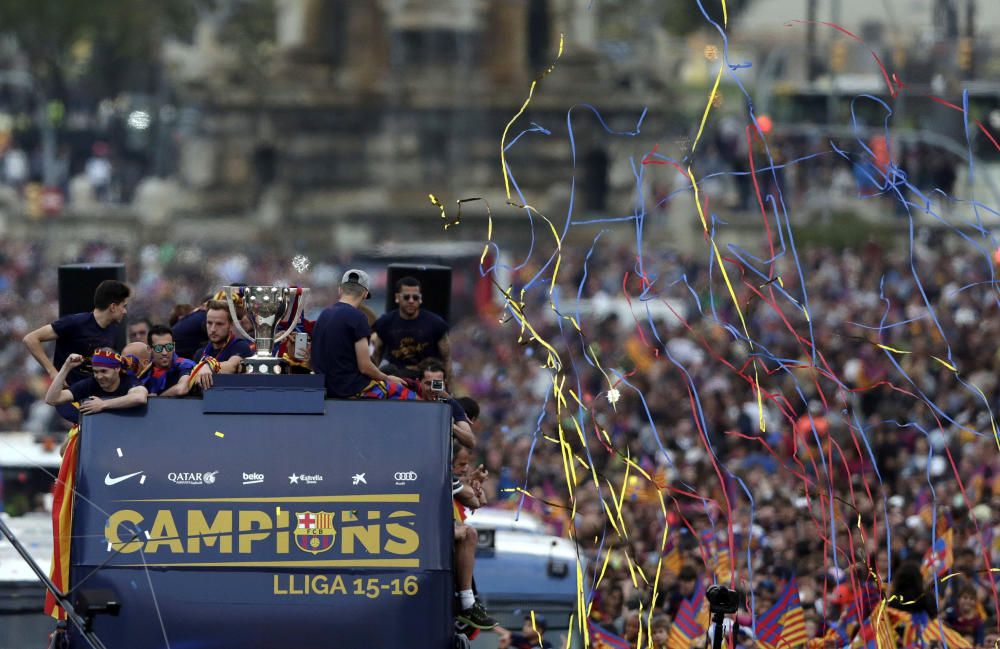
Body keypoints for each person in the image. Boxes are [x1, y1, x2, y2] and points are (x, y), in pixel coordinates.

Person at [23, 279, 130, 423]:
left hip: (96, 394)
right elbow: (30, 339)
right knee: (87, 426)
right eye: (124, 306)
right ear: (113, 307)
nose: (125, 311)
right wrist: (52, 371)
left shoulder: (114, 330)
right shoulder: (75, 323)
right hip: (69, 395)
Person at [311, 269, 405, 398]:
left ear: (340, 289)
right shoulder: (358, 317)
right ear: (365, 294)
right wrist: (387, 378)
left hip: (323, 389)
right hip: (350, 389)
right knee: (407, 395)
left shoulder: (324, 314)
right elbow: (365, 366)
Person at [452, 445, 497, 631]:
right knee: (470, 533)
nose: (465, 468)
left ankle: (470, 603)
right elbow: (472, 497)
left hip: (454, 549)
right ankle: (468, 604)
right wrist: (470, 484)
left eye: (467, 464)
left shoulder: (456, 482)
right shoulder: (442, 477)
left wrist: (472, 482)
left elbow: (479, 500)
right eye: (461, 464)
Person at [372, 276, 451, 378]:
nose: (411, 301)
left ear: (420, 298)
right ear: (397, 297)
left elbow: (447, 359)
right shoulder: (385, 323)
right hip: (397, 380)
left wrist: (448, 390)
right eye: (406, 297)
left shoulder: (436, 324)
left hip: (428, 378)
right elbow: (377, 355)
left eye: (415, 297)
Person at [44, 350, 148, 414]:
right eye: (95, 371)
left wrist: (103, 404)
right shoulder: (90, 383)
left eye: (104, 371)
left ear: (117, 369)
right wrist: (66, 367)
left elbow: (139, 398)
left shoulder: (129, 380)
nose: (99, 376)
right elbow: (51, 400)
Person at [417, 358, 474, 449]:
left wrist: (449, 424)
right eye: (428, 383)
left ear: (444, 383)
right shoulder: (409, 399)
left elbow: (471, 441)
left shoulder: (450, 405)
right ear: (419, 382)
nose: (432, 389)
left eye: (437, 384)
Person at [194, 300, 252, 374]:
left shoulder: (240, 346)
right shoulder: (200, 353)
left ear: (231, 325)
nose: (213, 329)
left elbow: (232, 366)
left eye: (219, 324)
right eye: (209, 323)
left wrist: (209, 366)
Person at [145, 325, 200, 396]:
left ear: (174, 346)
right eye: (158, 348)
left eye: (169, 347)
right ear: (149, 349)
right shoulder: (145, 371)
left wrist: (157, 399)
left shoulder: (185, 365)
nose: (164, 353)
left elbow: (181, 389)